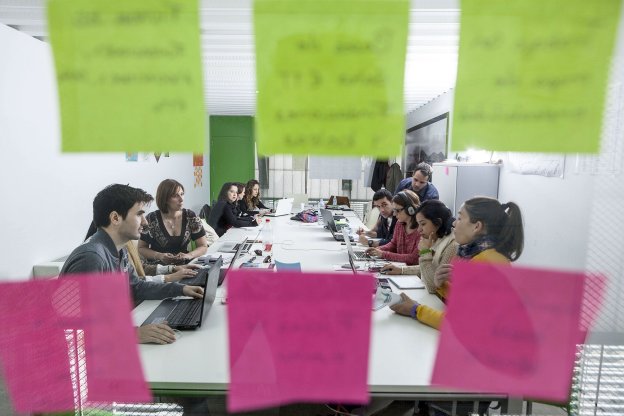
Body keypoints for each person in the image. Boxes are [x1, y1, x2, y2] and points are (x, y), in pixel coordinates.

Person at [60, 184, 204, 345]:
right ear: (115, 218)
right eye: (139, 214)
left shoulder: (119, 250)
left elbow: (136, 287)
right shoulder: (91, 258)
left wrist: (181, 289)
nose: (145, 222)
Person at [390, 197, 524, 329]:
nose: (454, 223)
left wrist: (415, 309)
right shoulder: (477, 254)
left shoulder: (487, 262)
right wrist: (442, 285)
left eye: (460, 218)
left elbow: (462, 322)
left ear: (476, 226)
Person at [381, 200, 457, 294]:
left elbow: (433, 286)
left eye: (423, 224)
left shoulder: (452, 246)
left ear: (438, 222)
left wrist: (425, 252)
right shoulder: (436, 238)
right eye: (418, 224)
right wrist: (401, 270)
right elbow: (427, 270)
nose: (419, 230)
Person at [138, 179, 208, 265]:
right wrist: (159, 255)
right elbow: (141, 248)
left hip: (184, 266)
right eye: (175, 195)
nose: (181, 199)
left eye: (182, 194)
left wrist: (189, 255)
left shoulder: (190, 216)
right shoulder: (151, 219)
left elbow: (203, 246)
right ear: (165, 199)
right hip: (158, 269)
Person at [365, 190, 421, 265]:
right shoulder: (399, 224)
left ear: (410, 210)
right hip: (399, 267)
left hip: (413, 274)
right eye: (394, 210)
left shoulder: (421, 229)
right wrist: (377, 250)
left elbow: (414, 258)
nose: (394, 214)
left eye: (397, 211)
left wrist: (383, 254)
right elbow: (393, 244)